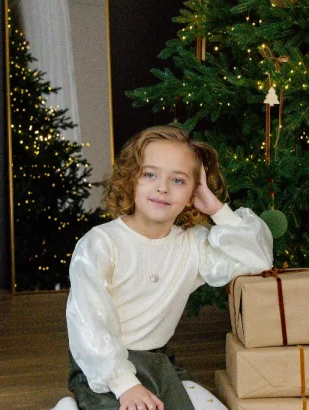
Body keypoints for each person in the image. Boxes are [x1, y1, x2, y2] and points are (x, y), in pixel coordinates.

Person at [54, 126, 273, 410]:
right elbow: (89, 323)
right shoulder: (100, 244)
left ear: (193, 192)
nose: (163, 187)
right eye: (150, 174)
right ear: (131, 179)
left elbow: (257, 258)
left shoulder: (194, 245)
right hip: (103, 367)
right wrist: (125, 385)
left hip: (159, 364)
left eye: (178, 180)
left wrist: (216, 208)